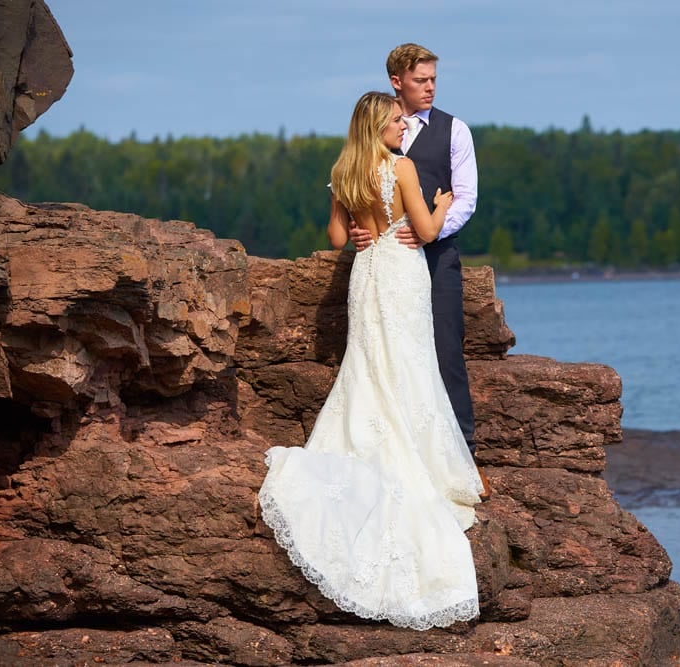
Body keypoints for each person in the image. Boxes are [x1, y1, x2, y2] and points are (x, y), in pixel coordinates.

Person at [259, 91, 485, 631]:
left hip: (367, 273)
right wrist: (440, 203)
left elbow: (340, 236)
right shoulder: (403, 167)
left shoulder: (345, 170)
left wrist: (363, 229)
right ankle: (425, 460)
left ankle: (368, 439)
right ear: (378, 124)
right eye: (396, 120)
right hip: (404, 272)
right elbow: (427, 233)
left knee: (368, 363)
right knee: (410, 364)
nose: (404, 125)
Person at [348, 45, 487, 498]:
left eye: (433, 80)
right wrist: (356, 228)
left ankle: (462, 453)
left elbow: (465, 196)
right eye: (420, 80)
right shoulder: (376, 126)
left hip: (437, 252)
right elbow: (357, 187)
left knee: (445, 348)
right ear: (396, 81)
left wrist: (431, 230)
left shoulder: (454, 130)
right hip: (384, 260)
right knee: (386, 352)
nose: (430, 87)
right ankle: (393, 450)